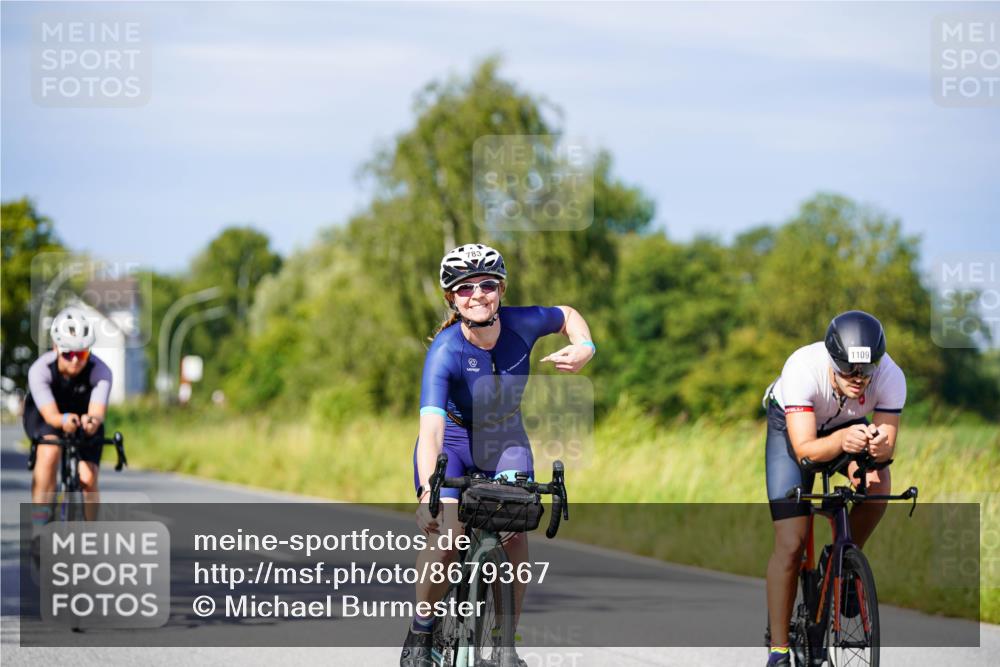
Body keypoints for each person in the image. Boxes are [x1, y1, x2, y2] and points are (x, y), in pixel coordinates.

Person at [400, 244, 596, 667]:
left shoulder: (522, 324)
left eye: (487, 284)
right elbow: (430, 430)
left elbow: (566, 314)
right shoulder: (445, 352)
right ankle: (422, 627)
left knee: (515, 534)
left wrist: (585, 346)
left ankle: (504, 642)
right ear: (451, 298)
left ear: (501, 289)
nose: (477, 294)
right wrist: (426, 495)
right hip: (451, 445)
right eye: (464, 288)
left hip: (504, 441)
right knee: (447, 536)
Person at [761, 310, 906, 666]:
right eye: (848, 370)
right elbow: (806, 450)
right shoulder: (802, 368)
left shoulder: (891, 375)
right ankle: (779, 650)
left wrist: (877, 445)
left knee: (877, 483)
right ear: (831, 360)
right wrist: (842, 439)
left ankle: (843, 565)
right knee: (792, 542)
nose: (858, 379)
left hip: (849, 425)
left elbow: (888, 446)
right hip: (794, 430)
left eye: (866, 370)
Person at [24, 306, 113, 526]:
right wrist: (64, 421)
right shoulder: (40, 370)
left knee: (88, 478)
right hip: (47, 416)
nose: (75, 361)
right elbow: (51, 415)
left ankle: (91, 533)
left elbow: (97, 413)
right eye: (68, 354)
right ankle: (40, 524)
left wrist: (90, 423)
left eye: (82, 353)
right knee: (49, 452)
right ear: (55, 348)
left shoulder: (101, 371)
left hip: (84, 416)